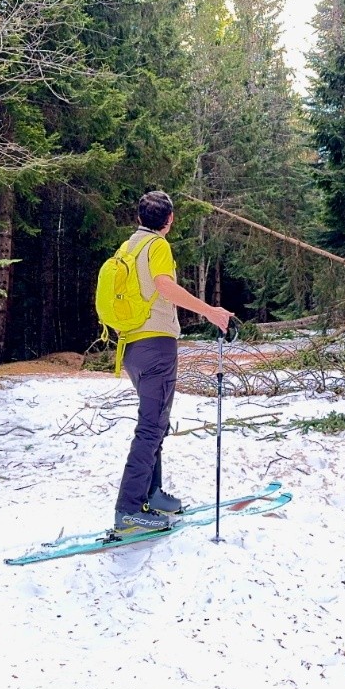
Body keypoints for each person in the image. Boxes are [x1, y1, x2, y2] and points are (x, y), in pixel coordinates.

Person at [112, 190, 233, 534]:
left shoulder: (128, 247)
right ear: (170, 219)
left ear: (139, 217)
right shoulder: (157, 246)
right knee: (151, 427)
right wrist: (210, 312)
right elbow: (165, 287)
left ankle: (150, 495)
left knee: (156, 423)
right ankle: (129, 510)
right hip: (156, 345)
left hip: (132, 348)